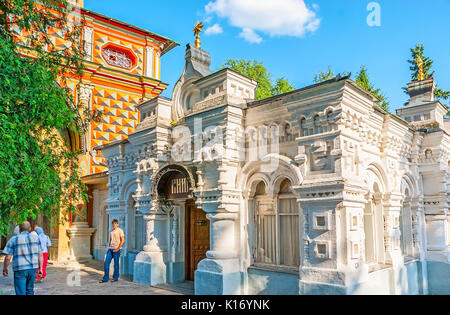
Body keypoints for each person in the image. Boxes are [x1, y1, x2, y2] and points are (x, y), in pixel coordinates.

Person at [2, 222, 43, 295]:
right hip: (32, 269)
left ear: (20, 229)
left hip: (20, 269)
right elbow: (40, 255)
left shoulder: (13, 239)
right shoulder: (36, 238)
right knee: (30, 290)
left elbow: (8, 257)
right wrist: (41, 268)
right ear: (30, 229)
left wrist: (5, 268)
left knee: (20, 292)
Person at [100, 219, 124, 283]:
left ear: (117, 224)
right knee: (106, 263)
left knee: (116, 264)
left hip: (117, 249)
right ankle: (105, 278)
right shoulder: (111, 231)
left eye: (115, 223)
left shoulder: (120, 231)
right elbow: (110, 240)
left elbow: (122, 240)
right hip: (110, 249)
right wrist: (109, 247)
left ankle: (115, 278)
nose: (114, 225)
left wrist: (118, 248)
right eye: (113, 224)